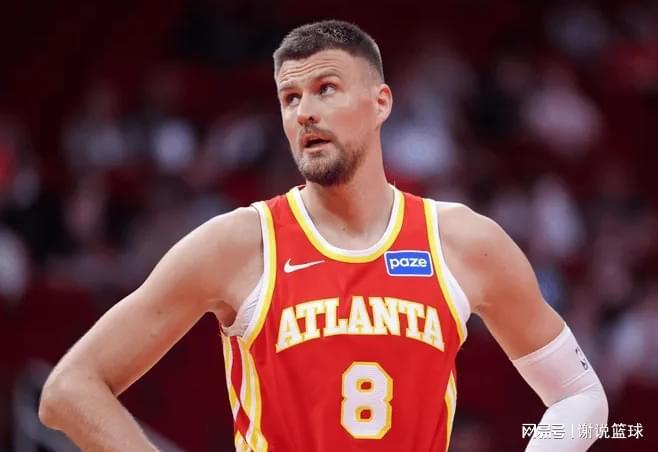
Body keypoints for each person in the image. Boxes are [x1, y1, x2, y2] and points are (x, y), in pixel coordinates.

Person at [38, 20, 608, 451]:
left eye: (326, 88)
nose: (304, 112)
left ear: (381, 103)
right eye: (290, 99)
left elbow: (580, 396)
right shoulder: (238, 244)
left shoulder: (462, 241)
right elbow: (70, 389)